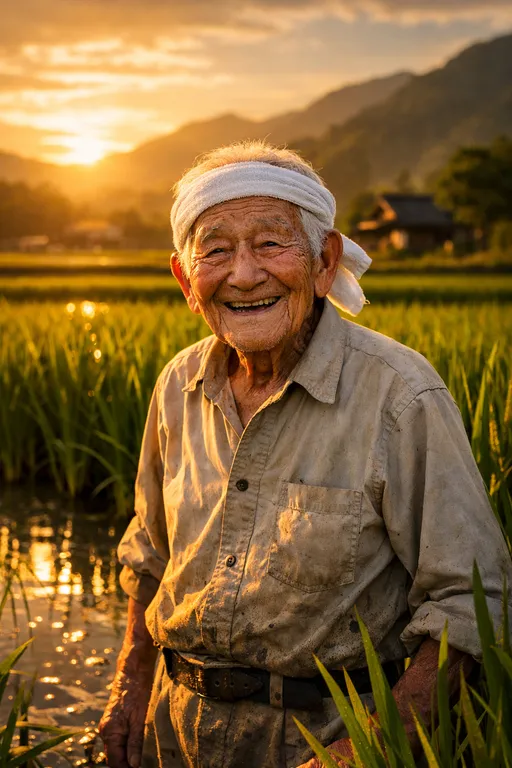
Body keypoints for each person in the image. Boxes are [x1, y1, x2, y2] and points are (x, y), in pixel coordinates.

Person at [99, 141, 511, 768]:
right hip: (173, 730)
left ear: (324, 263)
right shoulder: (177, 386)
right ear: (186, 280)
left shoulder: (398, 395)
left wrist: (362, 749)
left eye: (270, 244)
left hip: (322, 739)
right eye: (215, 250)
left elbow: (472, 603)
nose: (242, 274)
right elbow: (150, 552)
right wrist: (130, 683)